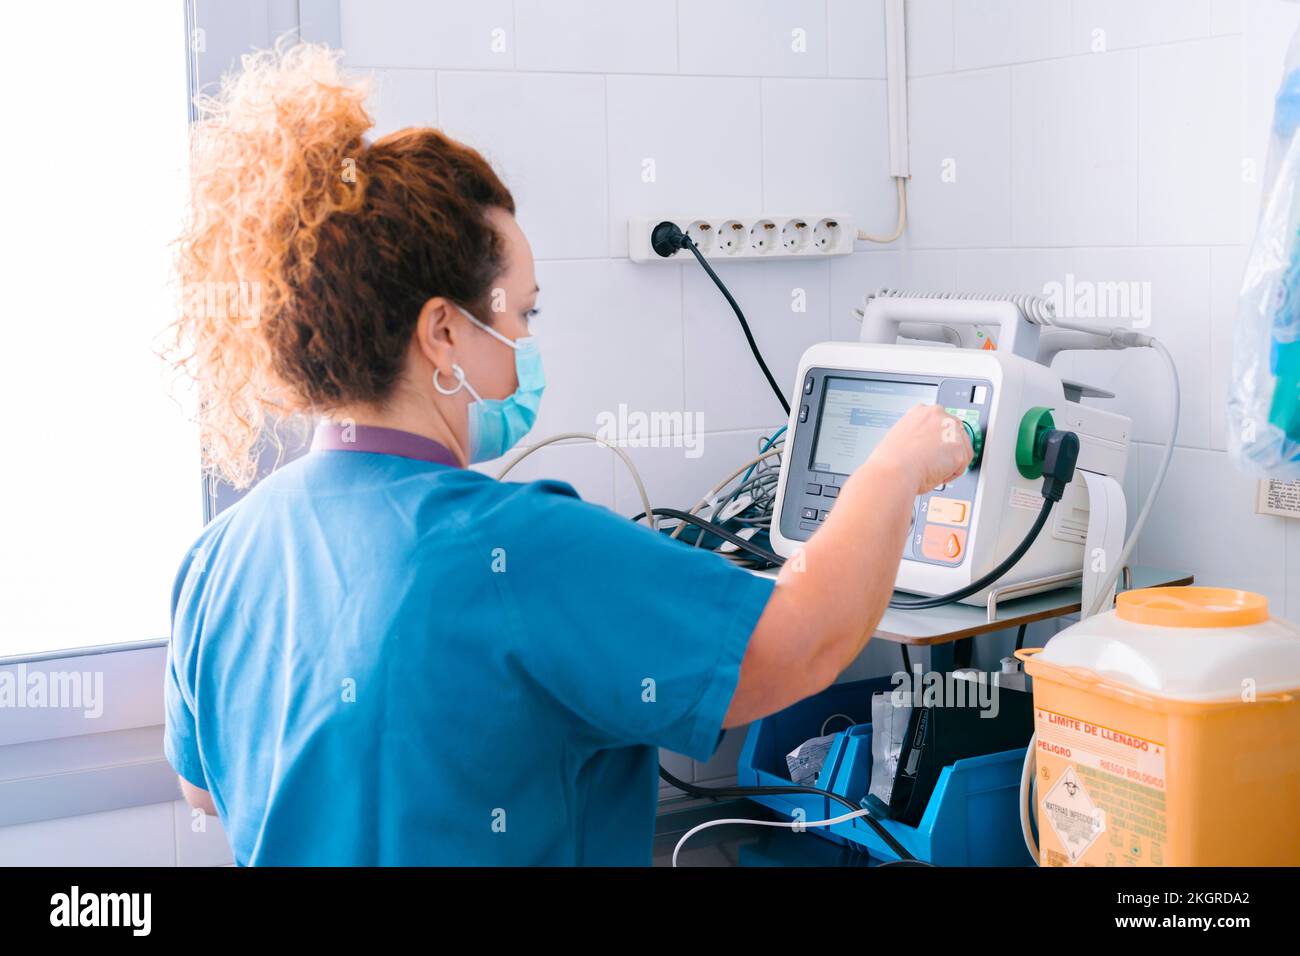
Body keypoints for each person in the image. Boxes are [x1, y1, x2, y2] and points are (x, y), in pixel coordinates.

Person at [165, 43, 971, 865]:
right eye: (521, 315)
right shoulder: (516, 549)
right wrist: (896, 468)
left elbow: (205, 789)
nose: (524, 344)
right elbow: (803, 642)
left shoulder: (218, 557)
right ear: (444, 332)